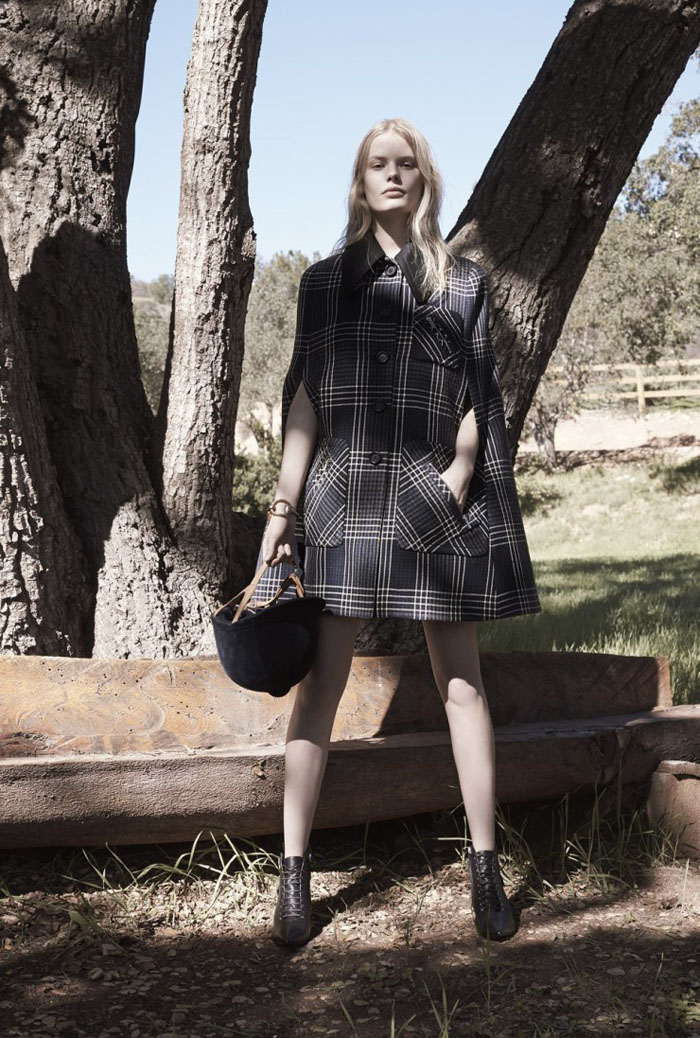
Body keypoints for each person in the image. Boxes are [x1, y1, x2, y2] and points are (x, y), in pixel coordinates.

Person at [253, 117, 542, 946]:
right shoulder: (322, 285)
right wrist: (283, 508)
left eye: (405, 163)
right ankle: (294, 880)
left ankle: (486, 873)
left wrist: (457, 476)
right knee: (320, 689)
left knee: (463, 687)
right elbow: (305, 401)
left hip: (428, 505)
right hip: (341, 502)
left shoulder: (463, 284)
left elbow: (481, 398)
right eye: (377, 164)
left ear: (423, 180)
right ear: (359, 181)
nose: (391, 174)